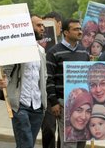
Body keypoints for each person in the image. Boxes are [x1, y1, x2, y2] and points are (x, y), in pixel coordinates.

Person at [0, 14, 47, 148]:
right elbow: (4, 73)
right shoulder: (17, 49)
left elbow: (44, 76)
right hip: (20, 106)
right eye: (38, 25)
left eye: (42, 25)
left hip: (37, 106)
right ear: (27, 26)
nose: (42, 28)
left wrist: (44, 102)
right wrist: (2, 82)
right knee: (26, 144)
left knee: (26, 145)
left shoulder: (41, 50)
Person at [46, 18, 90, 148]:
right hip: (64, 102)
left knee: (81, 141)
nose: (80, 32)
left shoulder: (84, 52)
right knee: (69, 143)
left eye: (80, 28)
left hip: (82, 104)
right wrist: (54, 102)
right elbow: (49, 78)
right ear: (65, 32)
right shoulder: (54, 52)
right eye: (76, 29)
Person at [41, 11, 62, 148]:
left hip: (64, 92)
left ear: (59, 25)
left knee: (65, 132)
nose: (45, 28)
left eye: (49, 24)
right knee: (48, 128)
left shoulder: (66, 43)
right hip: (46, 91)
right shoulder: (40, 42)